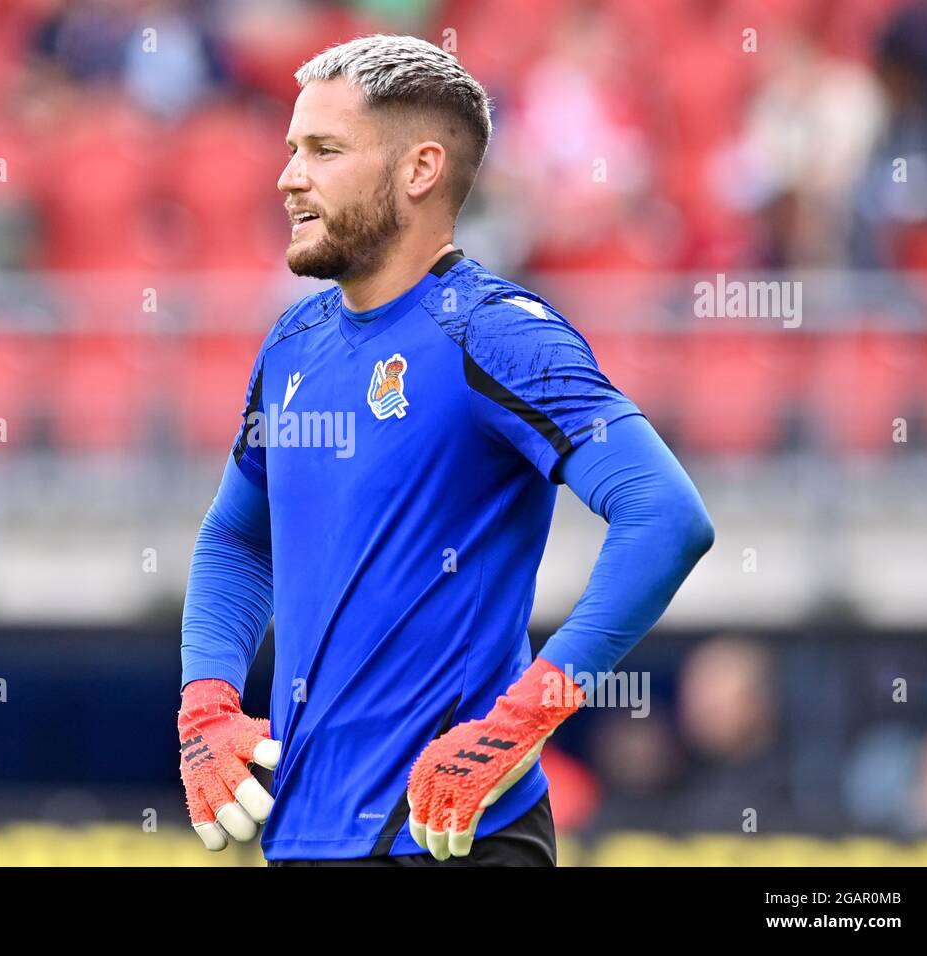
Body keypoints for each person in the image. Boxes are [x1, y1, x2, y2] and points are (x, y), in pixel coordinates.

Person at [178, 34, 714, 866]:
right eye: (291, 150)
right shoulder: (290, 346)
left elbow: (665, 515)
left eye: (323, 150)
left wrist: (523, 719)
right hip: (301, 836)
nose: (289, 177)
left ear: (420, 169)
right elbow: (237, 539)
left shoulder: (494, 333)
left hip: (453, 835)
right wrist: (208, 700)